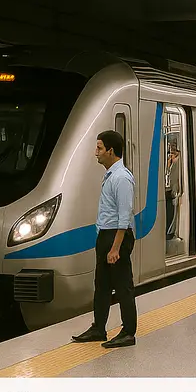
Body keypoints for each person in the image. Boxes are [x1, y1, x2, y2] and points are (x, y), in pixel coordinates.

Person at [72, 130, 138, 349]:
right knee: (101, 285)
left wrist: (115, 248)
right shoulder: (111, 174)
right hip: (106, 235)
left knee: (122, 287)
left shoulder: (121, 178)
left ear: (111, 150)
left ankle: (129, 332)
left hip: (116, 237)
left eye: (99, 148)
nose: (96, 153)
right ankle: (98, 328)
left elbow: (125, 216)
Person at [165, 146, 182, 240]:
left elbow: (173, 179)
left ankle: (169, 232)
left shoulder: (177, 162)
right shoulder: (172, 163)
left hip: (174, 192)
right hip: (172, 191)